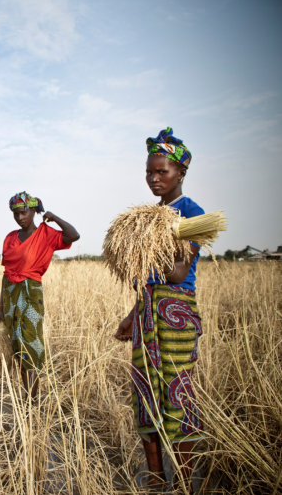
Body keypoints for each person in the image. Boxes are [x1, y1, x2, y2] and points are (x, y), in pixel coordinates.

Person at [113, 127, 204, 493]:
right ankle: (155, 476)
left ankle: (183, 481)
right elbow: (146, 281)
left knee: (177, 394)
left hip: (176, 313)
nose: (154, 178)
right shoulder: (149, 217)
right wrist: (132, 315)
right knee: (145, 393)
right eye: (149, 171)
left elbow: (178, 272)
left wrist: (146, 247)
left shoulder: (191, 214)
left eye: (162, 171)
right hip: (149, 312)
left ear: (180, 173)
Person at [0, 193, 79, 397]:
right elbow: (6, 275)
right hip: (10, 295)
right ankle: (26, 394)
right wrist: (0, 307)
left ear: (33, 211)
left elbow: (73, 236)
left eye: (23, 212)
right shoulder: (10, 238)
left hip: (31, 293)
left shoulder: (46, 234)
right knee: (15, 343)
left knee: (30, 343)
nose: (20, 217)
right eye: (16, 214)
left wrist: (55, 218)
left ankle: (32, 399)